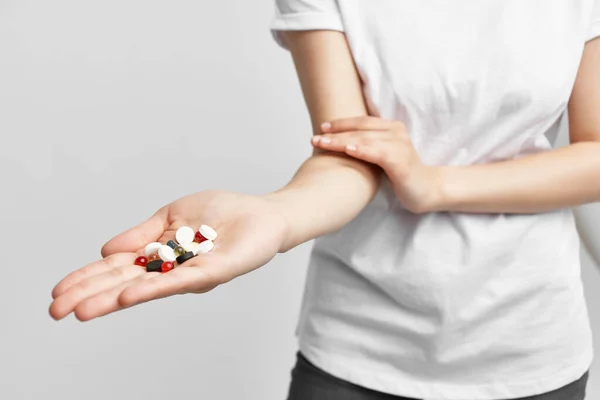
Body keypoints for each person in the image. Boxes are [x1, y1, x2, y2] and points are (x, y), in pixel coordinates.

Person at [48, 0, 600, 399]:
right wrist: (274, 215)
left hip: (530, 344)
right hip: (356, 348)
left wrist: (434, 186)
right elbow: (346, 155)